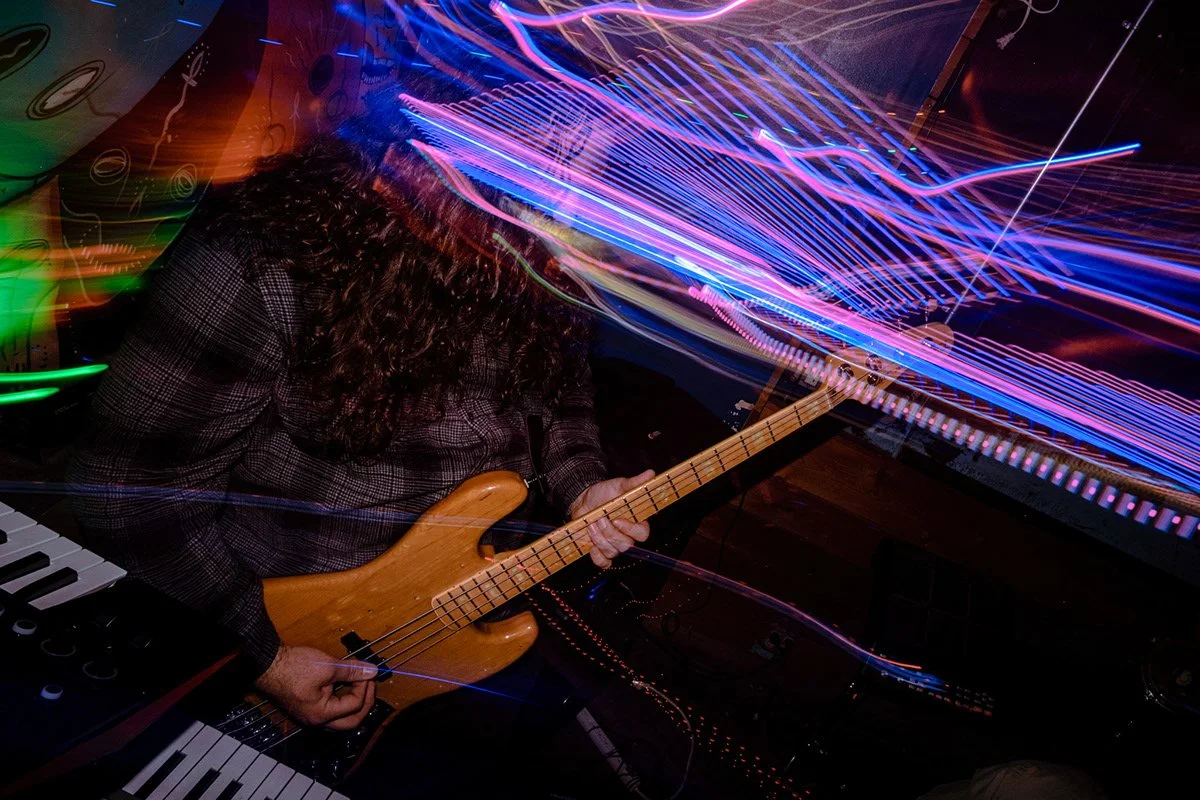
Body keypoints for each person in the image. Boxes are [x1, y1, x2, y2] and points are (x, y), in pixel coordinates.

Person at [67, 126, 652, 733]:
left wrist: (581, 484)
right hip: (281, 625)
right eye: (563, 169)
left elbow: (561, 394)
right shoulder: (267, 261)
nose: (587, 205)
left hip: (453, 632)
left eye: (598, 174)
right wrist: (259, 654)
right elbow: (124, 489)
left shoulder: (539, 263)